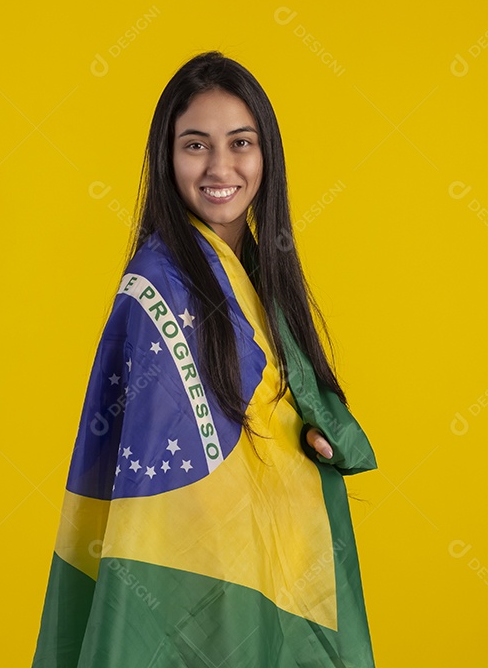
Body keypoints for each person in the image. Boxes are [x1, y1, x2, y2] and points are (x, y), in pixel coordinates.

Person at [31, 50, 378, 667]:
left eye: (240, 142)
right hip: (199, 587)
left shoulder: (265, 282)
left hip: (271, 570)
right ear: (167, 160)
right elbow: (162, 488)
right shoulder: (157, 288)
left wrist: (315, 432)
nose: (221, 167)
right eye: (196, 145)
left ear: (266, 155)